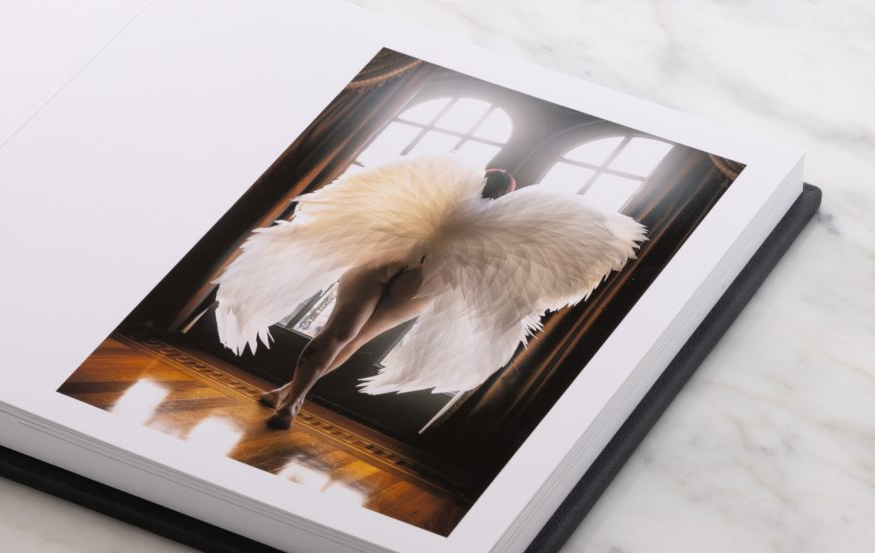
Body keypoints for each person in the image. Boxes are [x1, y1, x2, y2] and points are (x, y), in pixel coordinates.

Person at [213, 154, 645, 429]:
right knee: (344, 336)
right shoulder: (450, 207)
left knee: (344, 336)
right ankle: (290, 400)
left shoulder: (478, 222)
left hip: (398, 275)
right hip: (402, 276)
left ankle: (290, 396)